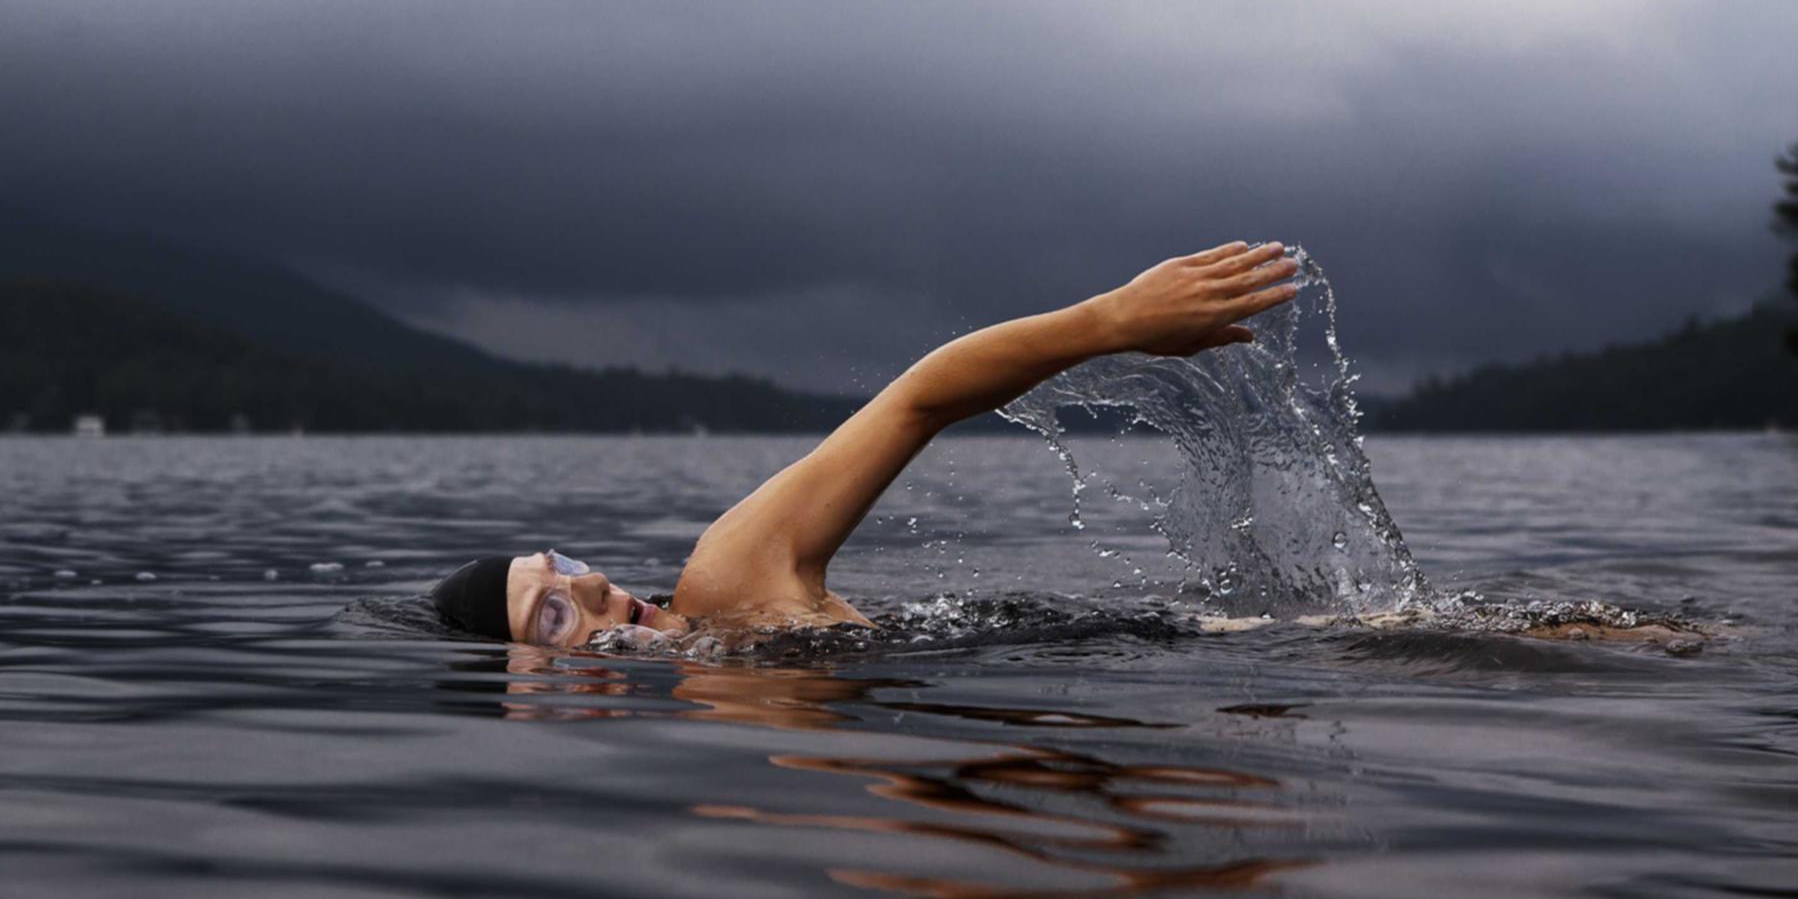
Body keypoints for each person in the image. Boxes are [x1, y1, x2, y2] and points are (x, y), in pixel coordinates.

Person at [430, 241, 1300, 648]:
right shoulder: (723, 751)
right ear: (528, 693)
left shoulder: (728, 584)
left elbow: (916, 401)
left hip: (1248, 647)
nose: (590, 582)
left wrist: (1109, 322)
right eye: (552, 612)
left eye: (564, 564)